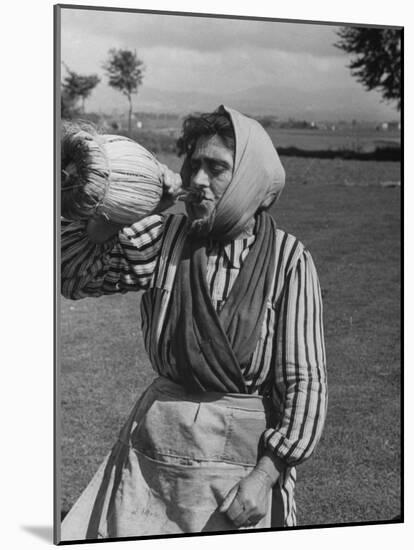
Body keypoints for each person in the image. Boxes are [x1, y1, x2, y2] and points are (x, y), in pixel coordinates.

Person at [60, 105, 327, 541]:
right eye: (193, 165)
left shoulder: (288, 260)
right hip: (155, 457)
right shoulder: (165, 238)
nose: (198, 180)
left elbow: (304, 381)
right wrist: (122, 214)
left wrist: (266, 476)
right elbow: (70, 275)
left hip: (242, 464)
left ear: (248, 180)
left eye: (217, 168)